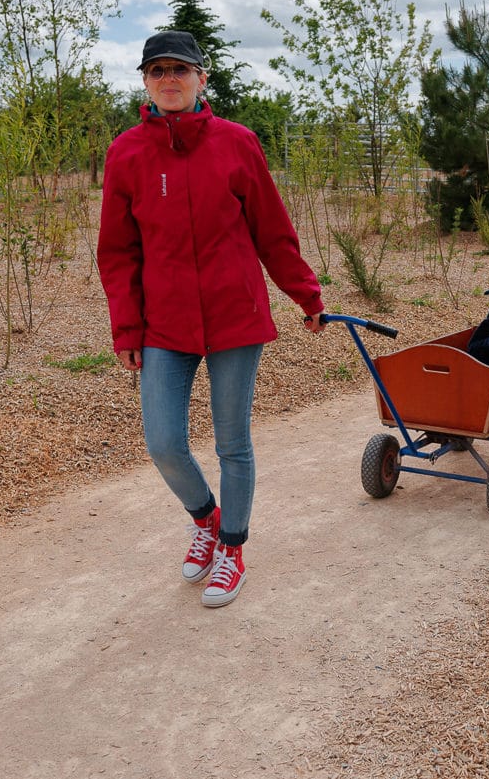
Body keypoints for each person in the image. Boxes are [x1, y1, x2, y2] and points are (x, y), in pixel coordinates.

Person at [97, 30, 326, 608]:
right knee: (164, 441)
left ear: (202, 79)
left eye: (181, 69)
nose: (169, 79)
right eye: (158, 71)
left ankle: (232, 547)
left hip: (234, 317)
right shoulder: (126, 152)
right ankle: (206, 518)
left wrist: (307, 296)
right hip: (163, 325)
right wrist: (127, 328)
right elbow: (117, 252)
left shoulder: (238, 143)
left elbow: (272, 231)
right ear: (145, 82)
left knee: (233, 443)